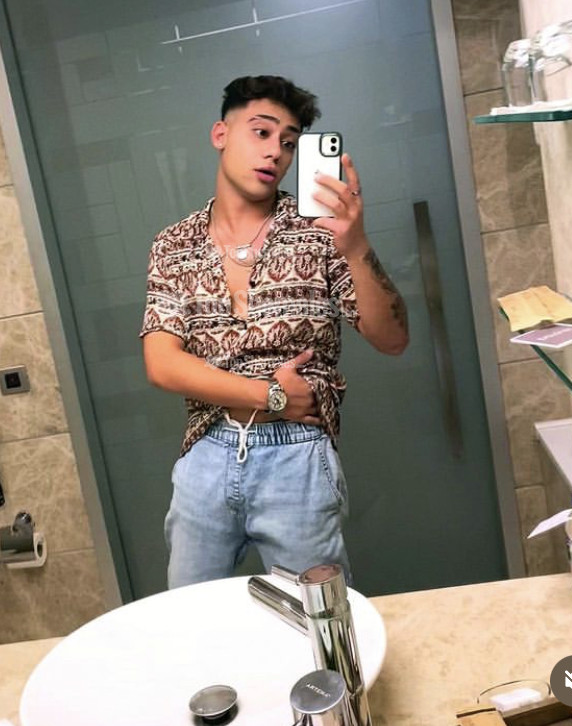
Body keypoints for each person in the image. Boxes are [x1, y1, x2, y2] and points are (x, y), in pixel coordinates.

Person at [140, 75, 408, 589]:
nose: (275, 153)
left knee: (317, 618)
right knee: (189, 618)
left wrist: (355, 245)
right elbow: (162, 363)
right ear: (221, 134)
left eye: (288, 143)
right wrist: (270, 394)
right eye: (261, 133)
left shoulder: (318, 232)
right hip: (206, 450)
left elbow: (392, 338)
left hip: (297, 455)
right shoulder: (173, 244)